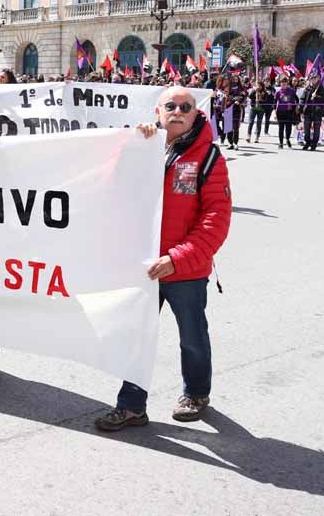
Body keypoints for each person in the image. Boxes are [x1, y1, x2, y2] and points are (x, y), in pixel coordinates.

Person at [95, 87, 232, 432]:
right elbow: (109, 186)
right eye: (170, 105)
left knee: (192, 336)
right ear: (157, 111)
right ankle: (131, 406)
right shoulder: (144, 147)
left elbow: (216, 219)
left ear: (195, 112)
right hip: (145, 267)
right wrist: (130, 148)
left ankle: (197, 393)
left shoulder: (209, 157)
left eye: (186, 106)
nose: (178, 111)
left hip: (185, 269)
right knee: (137, 337)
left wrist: (177, 258)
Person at [300, 72, 324, 151]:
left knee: (316, 129)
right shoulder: (307, 88)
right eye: (312, 78)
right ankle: (307, 143)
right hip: (308, 111)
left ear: (318, 78)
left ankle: (314, 144)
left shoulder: (323, 88)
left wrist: (317, 97)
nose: (314, 79)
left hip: (318, 112)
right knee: (306, 129)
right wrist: (301, 108)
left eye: (315, 78)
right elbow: (302, 99)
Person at [274, 77, 298, 149]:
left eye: (285, 82)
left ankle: (287, 139)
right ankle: (281, 143)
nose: (283, 84)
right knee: (281, 128)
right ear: (280, 83)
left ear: (287, 83)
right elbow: (275, 103)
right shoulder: (278, 92)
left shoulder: (292, 91)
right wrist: (274, 112)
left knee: (288, 127)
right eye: (282, 82)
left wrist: (296, 107)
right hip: (280, 112)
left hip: (289, 112)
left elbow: (297, 99)